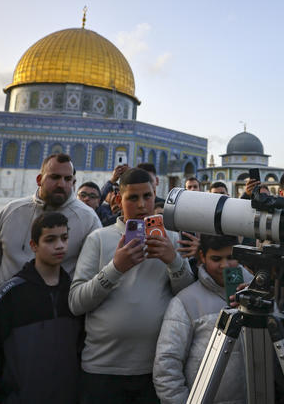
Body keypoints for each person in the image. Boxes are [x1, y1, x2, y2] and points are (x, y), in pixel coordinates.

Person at [69, 168, 194, 404]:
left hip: (156, 369)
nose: (142, 205)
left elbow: (188, 300)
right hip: (102, 369)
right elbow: (76, 303)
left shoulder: (172, 239)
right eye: (133, 198)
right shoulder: (99, 238)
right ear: (119, 199)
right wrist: (116, 268)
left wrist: (173, 261)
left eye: (147, 196)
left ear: (156, 194)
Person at [0, 212, 82, 404]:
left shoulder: (74, 293)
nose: (60, 245)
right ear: (34, 245)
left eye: (64, 238)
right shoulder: (10, 294)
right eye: (50, 240)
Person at [154, 234, 253, 404]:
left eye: (231, 257)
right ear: (202, 257)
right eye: (216, 258)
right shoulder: (185, 302)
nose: (225, 265)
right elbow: (166, 366)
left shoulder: (257, 294)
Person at [0, 153, 101, 294]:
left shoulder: (87, 219)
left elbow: (94, 272)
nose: (61, 184)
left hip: (57, 310)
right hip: (7, 307)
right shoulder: (12, 211)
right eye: (55, 177)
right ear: (39, 179)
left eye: (67, 179)